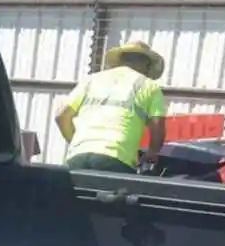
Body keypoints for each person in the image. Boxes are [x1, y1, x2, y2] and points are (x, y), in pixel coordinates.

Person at [55, 40, 167, 174]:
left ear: (121, 60)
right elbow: (157, 126)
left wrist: (76, 142)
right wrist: (152, 154)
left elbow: (61, 116)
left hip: (77, 157)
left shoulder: (92, 80)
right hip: (117, 159)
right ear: (145, 63)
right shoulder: (149, 87)